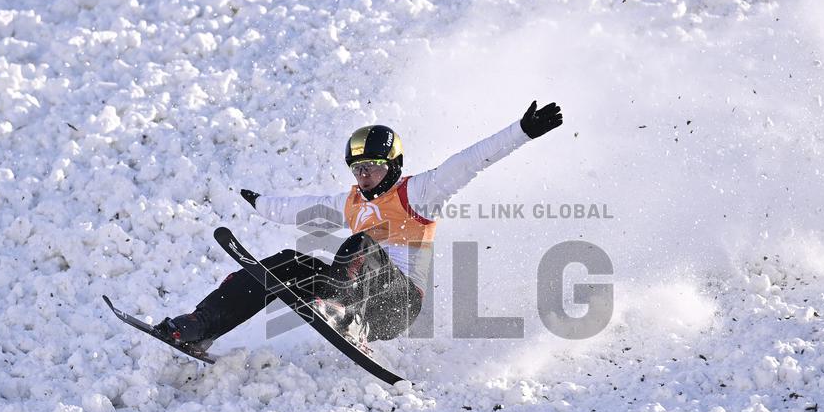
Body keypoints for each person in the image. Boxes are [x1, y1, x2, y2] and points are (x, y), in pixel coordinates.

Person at [155, 100, 564, 352]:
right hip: (348, 290)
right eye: (357, 168)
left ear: (393, 166)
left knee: (360, 243)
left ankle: (347, 315)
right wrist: (262, 203)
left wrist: (522, 131)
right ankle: (197, 326)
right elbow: (302, 206)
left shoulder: (419, 193)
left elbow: (470, 161)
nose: (363, 175)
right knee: (280, 265)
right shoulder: (350, 201)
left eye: (372, 167)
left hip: (396, 305)